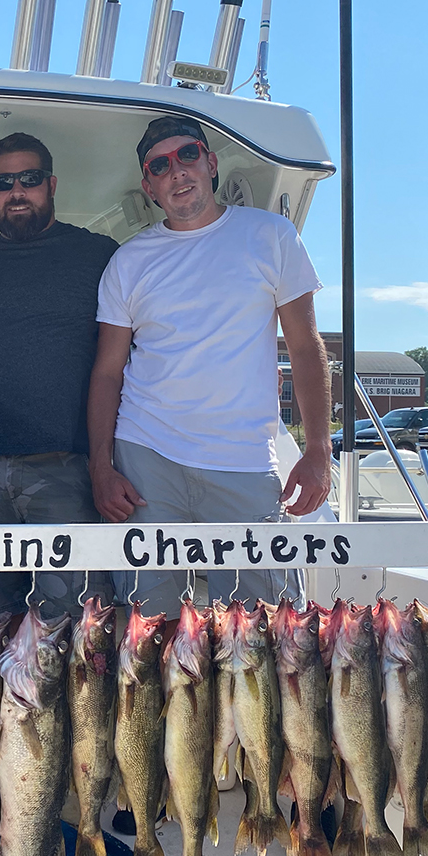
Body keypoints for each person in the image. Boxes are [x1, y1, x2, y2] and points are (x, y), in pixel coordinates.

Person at [88, 115, 332, 616]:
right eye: (160, 165)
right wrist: (100, 466)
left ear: (211, 162)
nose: (177, 171)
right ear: (148, 186)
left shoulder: (272, 236)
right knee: (147, 630)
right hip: (145, 459)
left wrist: (318, 450)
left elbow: (307, 349)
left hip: (243, 460)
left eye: (188, 155)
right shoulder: (128, 261)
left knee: (263, 630)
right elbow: (107, 371)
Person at [0, 132, 119, 619]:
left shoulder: (99, 254)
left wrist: (104, 463)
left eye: (28, 179)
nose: (17, 191)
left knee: (72, 625)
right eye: (3, 182)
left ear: (50, 184)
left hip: (67, 469)